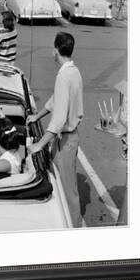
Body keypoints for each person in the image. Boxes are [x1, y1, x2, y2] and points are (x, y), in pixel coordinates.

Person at [26, 32, 84, 227]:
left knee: (67, 189)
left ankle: (73, 227)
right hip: (68, 137)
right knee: (62, 184)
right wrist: (38, 116)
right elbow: (55, 100)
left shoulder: (63, 76)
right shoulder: (73, 71)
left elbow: (58, 119)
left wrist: (39, 145)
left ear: (55, 50)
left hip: (66, 139)